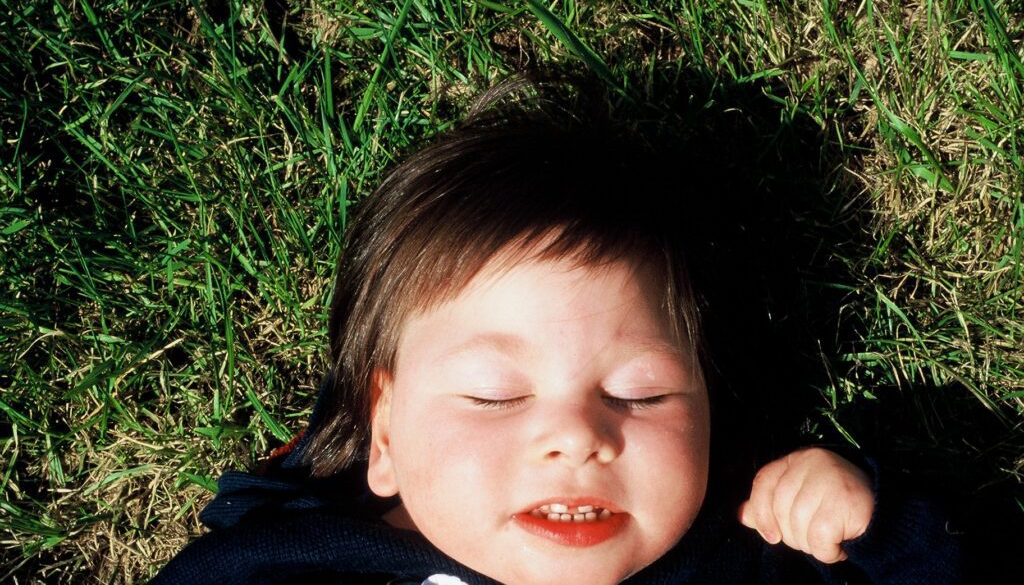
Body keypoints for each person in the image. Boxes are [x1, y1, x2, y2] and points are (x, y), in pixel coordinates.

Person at [153, 78, 962, 584]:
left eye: (641, 392)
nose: (577, 436)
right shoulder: (288, 566)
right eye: (495, 394)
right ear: (386, 434)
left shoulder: (758, 560)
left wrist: (880, 528)